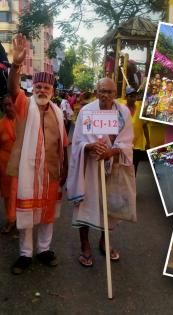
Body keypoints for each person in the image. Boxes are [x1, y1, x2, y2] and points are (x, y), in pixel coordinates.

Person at [7, 34, 68, 275]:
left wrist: (65, 169)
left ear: (52, 90)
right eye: (39, 86)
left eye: (46, 87)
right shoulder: (24, 103)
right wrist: (16, 64)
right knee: (27, 215)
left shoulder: (58, 112)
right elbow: (13, 88)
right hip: (28, 171)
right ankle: (25, 254)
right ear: (33, 87)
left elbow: (63, 144)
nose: (42, 90)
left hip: (51, 171)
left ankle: (44, 250)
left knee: (48, 214)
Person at [67, 77, 136, 267]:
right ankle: (85, 245)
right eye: (102, 91)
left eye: (110, 92)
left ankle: (104, 242)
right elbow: (78, 142)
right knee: (86, 206)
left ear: (116, 94)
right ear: (96, 91)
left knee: (110, 208)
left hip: (112, 167)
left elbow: (128, 141)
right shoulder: (86, 111)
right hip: (89, 168)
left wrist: (111, 151)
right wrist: (89, 147)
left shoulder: (122, 113)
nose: (105, 95)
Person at [0, 95, 17, 234]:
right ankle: (10, 220)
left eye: (9, 104)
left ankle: (19, 218)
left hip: (20, 163)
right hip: (5, 164)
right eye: (5, 105)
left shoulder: (22, 121)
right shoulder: (0, 124)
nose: (7, 107)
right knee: (8, 195)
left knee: (20, 193)